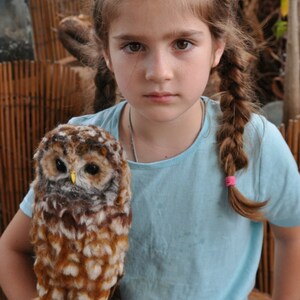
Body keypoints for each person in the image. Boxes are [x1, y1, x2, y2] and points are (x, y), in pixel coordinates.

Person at [1, 0, 300, 299]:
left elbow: (293, 234)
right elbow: (10, 250)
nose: (158, 72)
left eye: (182, 43)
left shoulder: (256, 142)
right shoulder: (76, 150)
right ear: (106, 52)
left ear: (217, 48)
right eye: (133, 46)